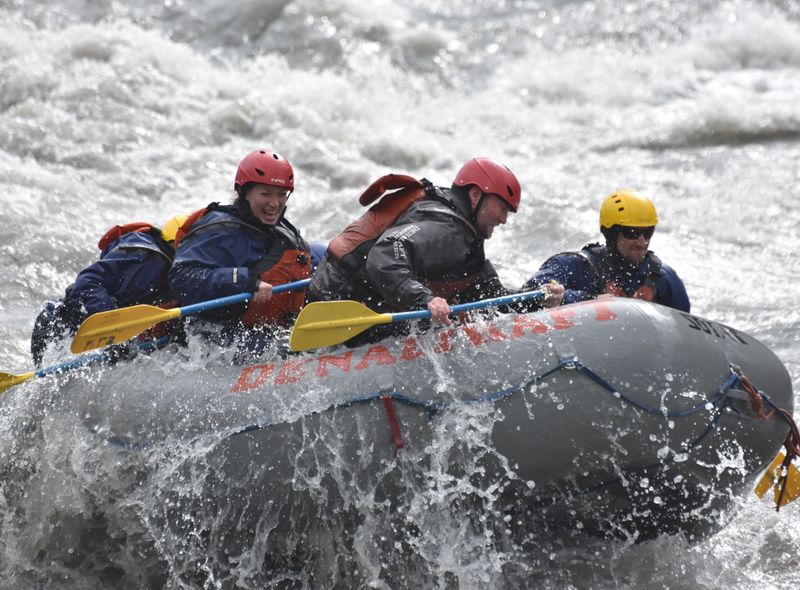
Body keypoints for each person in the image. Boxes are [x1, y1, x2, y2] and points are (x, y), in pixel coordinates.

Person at [309, 157, 564, 342]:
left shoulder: (464, 242)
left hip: (362, 301)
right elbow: (386, 252)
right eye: (502, 208)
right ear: (475, 195)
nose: (504, 219)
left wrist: (538, 296)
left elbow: (491, 297)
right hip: (340, 305)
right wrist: (425, 299)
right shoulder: (448, 229)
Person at [169, 150, 311, 335]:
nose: (275, 203)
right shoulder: (220, 230)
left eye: (282, 194)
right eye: (265, 194)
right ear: (244, 193)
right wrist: (244, 281)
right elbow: (181, 277)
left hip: (271, 328)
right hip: (218, 335)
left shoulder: (282, 230)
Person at [30, 215, 187, 366]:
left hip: (88, 335)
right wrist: (115, 332)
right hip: (55, 327)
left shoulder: (176, 271)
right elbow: (88, 283)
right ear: (175, 242)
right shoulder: (147, 257)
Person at [523, 189, 690, 312]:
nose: (641, 241)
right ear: (611, 233)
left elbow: (686, 332)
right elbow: (530, 293)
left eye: (647, 232)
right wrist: (584, 300)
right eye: (631, 232)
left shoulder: (664, 279)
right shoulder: (575, 266)